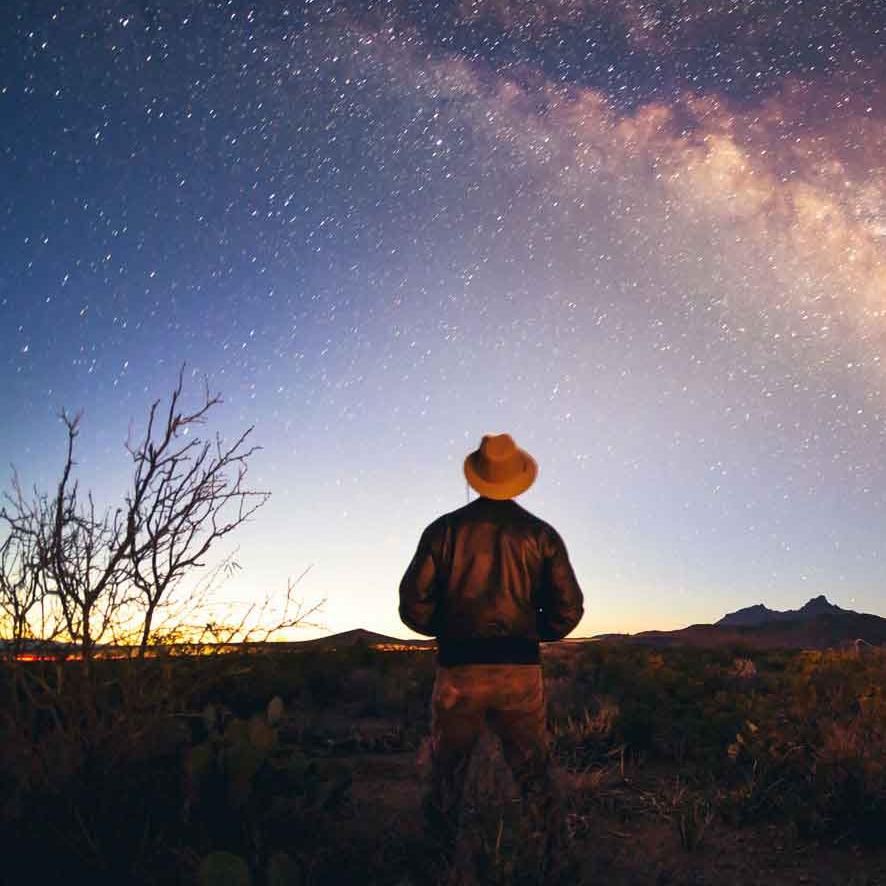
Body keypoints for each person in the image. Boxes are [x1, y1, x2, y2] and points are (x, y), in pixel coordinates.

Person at [398, 432, 584, 874]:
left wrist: (448, 629)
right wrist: (528, 633)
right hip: (518, 672)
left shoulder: (443, 531)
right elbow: (569, 609)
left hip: (459, 672)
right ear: (518, 479)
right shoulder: (541, 535)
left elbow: (412, 604)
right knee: (533, 771)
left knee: (448, 771)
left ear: (478, 477)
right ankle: (554, 862)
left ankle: (437, 867)